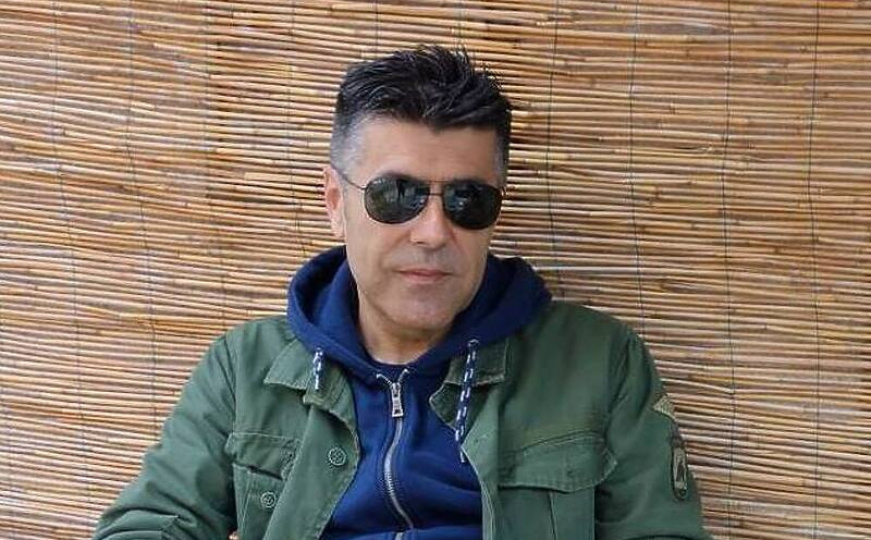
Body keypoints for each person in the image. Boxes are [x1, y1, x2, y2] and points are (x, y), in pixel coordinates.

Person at [92, 45, 711, 540]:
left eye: (467, 200)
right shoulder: (244, 369)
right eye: (397, 196)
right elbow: (152, 523)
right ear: (336, 203)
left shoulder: (596, 361)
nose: (434, 232)